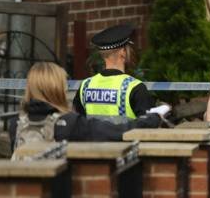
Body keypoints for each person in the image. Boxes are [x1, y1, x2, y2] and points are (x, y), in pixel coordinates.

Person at [10, 61, 169, 158]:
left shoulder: (15, 124)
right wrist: (154, 118)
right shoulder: (71, 124)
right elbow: (121, 131)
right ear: (56, 89)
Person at [74, 24, 156, 122]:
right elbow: (147, 126)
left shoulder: (85, 86)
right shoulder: (134, 88)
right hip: (123, 137)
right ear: (123, 52)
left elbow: (78, 121)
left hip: (92, 137)